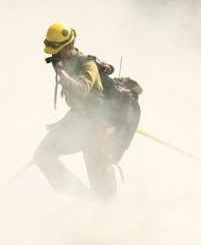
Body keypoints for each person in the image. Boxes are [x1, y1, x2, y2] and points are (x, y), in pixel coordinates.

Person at [33, 22, 140, 199]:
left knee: (102, 183)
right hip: (82, 122)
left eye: (57, 53)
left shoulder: (87, 65)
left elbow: (82, 90)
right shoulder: (67, 65)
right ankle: (84, 200)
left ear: (68, 47)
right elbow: (80, 104)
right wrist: (63, 123)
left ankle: (107, 214)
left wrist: (62, 73)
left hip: (100, 126)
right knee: (43, 155)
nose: (54, 58)